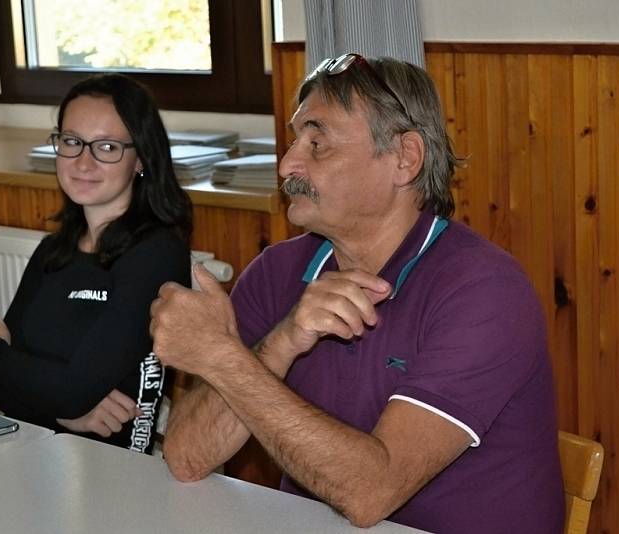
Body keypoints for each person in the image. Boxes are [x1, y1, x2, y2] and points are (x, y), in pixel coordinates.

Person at [150, 54, 564, 532]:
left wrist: (222, 357)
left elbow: (370, 494)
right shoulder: (277, 270)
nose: (288, 164)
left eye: (318, 143)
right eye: (295, 140)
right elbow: (186, 457)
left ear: (405, 159)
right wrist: (282, 341)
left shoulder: (485, 291)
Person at [0, 74, 192, 454]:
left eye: (106, 146)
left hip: (117, 475)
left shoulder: (157, 255)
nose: (83, 162)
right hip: (43, 460)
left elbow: (49, 384)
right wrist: (65, 411)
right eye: (72, 141)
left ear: (140, 158)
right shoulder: (52, 251)